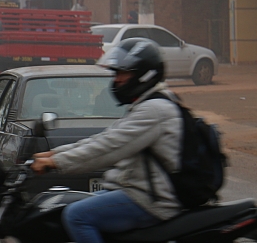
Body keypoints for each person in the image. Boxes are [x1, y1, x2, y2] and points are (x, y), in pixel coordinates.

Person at [31, 38, 183, 243]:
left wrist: (57, 162)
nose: (117, 80)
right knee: (67, 204)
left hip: (151, 201)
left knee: (76, 215)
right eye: (117, 73)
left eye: (123, 73)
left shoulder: (154, 110)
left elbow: (107, 148)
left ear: (144, 74)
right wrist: (54, 154)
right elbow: (103, 138)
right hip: (140, 191)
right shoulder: (149, 104)